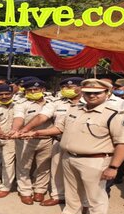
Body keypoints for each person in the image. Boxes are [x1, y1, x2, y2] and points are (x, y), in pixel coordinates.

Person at [30, 79, 124, 214]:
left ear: (107, 93)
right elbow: (60, 128)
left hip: (95, 160)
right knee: (72, 190)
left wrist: (113, 167)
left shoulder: (115, 114)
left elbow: (123, 143)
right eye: (88, 93)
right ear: (82, 93)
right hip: (69, 157)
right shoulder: (75, 109)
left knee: (96, 196)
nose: (91, 96)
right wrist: (36, 133)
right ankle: (72, 213)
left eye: (97, 93)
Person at [18, 76, 85, 206]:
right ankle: (57, 195)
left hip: (83, 144)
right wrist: (25, 129)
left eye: (70, 87)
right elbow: (42, 116)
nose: (66, 89)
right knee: (56, 171)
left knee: (82, 174)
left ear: (80, 88)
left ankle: (84, 202)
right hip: (59, 141)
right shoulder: (56, 103)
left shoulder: (89, 102)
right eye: (64, 87)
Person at [13, 78, 53, 204]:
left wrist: (24, 129)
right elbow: (18, 118)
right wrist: (15, 130)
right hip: (25, 140)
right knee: (23, 166)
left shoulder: (52, 102)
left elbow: (43, 117)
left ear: (43, 90)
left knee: (44, 166)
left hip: (45, 139)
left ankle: (40, 190)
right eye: (29, 90)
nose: (32, 92)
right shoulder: (21, 103)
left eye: (36, 89)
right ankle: (25, 192)